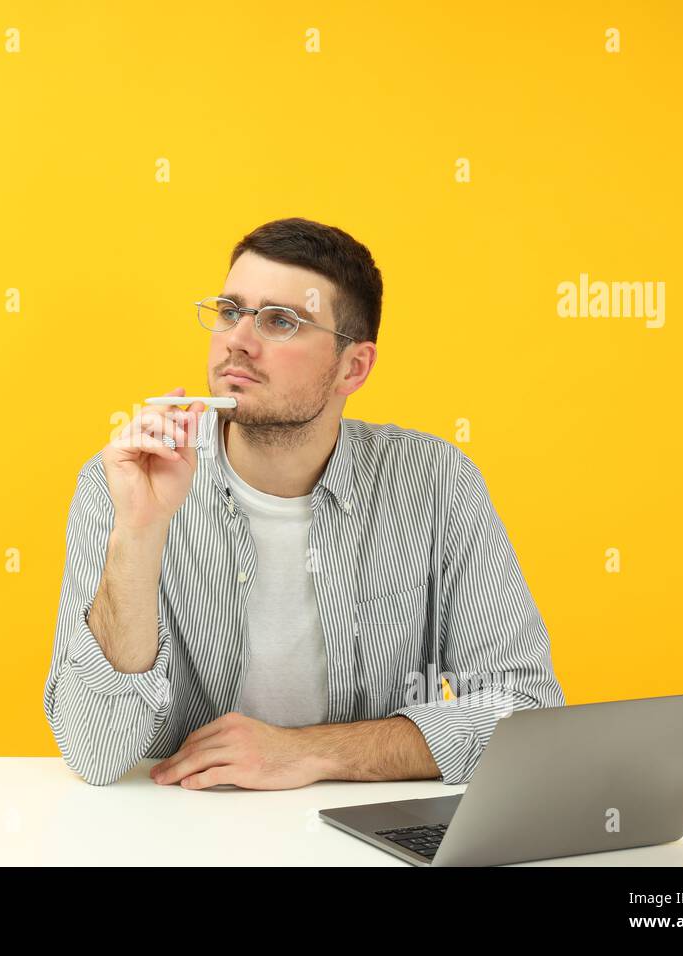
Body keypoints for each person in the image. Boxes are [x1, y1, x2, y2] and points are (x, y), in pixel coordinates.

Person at [43, 217, 565, 789]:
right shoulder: (123, 481)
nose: (238, 340)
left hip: (358, 832)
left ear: (353, 367)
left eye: (279, 321)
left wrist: (307, 754)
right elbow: (94, 750)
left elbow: (527, 714)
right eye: (229, 311)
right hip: (182, 825)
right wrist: (139, 533)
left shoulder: (435, 482)